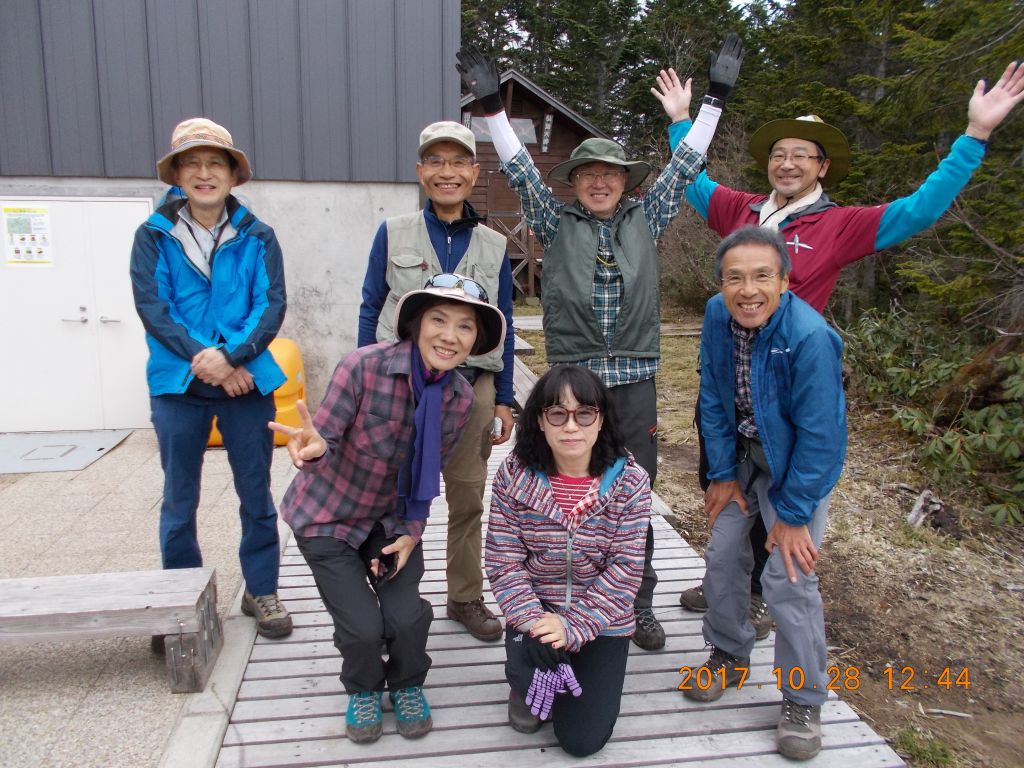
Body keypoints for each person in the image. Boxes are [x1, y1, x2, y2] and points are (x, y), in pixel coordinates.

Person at [657, 60, 1024, 621]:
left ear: (822, 166)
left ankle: (755, 597)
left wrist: (974, 136)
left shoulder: (839, 224)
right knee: (725, 485)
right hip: (728, 378)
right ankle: (725, 586)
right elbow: (690, 178)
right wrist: (682, 120)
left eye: (802, 155)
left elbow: (920, 208)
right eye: (780, 154)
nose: (788, 163)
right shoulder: (739, 210)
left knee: (779, 490)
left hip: (788, 382)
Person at [457, 34, 744, 651]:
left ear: (623, 181)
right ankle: (557, 596)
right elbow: (516, 169)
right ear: (575, 182)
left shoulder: (650, 215)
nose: (599, 183)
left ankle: (636, 601)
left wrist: (715, 99)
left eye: (610, 175)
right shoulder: (553, 220)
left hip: (636, 378)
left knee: (632, 488)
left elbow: (686, 166)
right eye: (587, 174)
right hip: (573, 380)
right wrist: (490, 109)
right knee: (564, 488)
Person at [271, 276, 506, 744]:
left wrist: (412, 532)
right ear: (415, 325)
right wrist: (314, 449)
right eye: (438, 319)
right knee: (362, 629)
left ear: (475, 341)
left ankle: (406, 684)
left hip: (390, 523)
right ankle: (362, 687)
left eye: (464, 327)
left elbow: (427, 476)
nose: (449, 335)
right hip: (328, 520)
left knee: (406, 619)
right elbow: (325, 440)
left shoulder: (459, 398)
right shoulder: (362, 367)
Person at [684, 226, 845, 761]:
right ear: (721, 284)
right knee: (724, 552)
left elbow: (823, 437)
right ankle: (728, 653)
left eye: (761, 277)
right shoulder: (715, 315)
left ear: (784, 280)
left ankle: (802, 698)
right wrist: (723, 472)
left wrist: (795, 515)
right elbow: (712, 394)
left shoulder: (809, 336)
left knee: (787, 575)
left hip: (796, 471)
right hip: (745, 462)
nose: (747, 290)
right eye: (735, 278)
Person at [130, 117, 291, 642]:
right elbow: (154, 307)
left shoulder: (258, 235)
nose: (204, 173)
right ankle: (181, 597)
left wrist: (235, 357)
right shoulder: (153, 235)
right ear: (177, 174)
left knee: (256, 491)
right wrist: (206, 357)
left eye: (214, 163)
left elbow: (271, 306)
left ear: (232, 173)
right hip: (179, 381)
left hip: (246, 379)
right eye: (192, 163)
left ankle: (260, 588)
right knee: (180, 497)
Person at [358, 120, 516, 643]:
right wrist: (366, 382)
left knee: (468, 496)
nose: (447, 173)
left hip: (472, 388)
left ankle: (465, 596)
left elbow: (506, 325)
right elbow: (370, 308)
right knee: (392, 494)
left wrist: (506, 398)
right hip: (401, 385)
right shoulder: (393, 232)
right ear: (421, 170)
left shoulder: (495, 244)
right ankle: (391, 590)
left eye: (458, 163)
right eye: (436, 162)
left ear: (474, 172)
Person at [485, 364, 650, 756]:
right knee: (530, 710)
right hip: (537, 613)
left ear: (601, 420)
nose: (571, 426)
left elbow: (626, 571)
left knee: (581, 740)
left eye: (584, 414)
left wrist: (572, 627)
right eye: (557, 414)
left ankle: (570, 668)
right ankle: (523, 675)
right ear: (540, 422)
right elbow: (503, 560)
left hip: (602, 619)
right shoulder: (514, 476)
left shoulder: (631, 481)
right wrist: (535, 623)